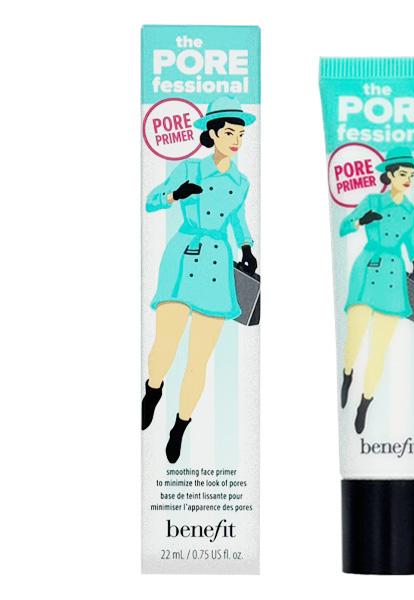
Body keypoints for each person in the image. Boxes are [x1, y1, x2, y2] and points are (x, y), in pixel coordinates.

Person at [141, 96, 257, 463]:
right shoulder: (189, 169)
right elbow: (151, 201)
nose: (236, 140)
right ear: (212, 133)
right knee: (165, 345)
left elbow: (238, 220)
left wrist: (247, 247)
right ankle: (153, 389)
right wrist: (176, 194)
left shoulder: (241, 182)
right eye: (229, 132)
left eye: (241, 134)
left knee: (198, 359)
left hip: (217, 265)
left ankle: (180, 425)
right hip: (182, 257)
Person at [339, 146, 414, 434]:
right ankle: (347, 374)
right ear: (390, 175)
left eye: (411, 175)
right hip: (366, 270)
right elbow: (343, 227)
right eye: (403, 174)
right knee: (354, 336)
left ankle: (365, 402)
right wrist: (361, 221)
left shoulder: (411, 212)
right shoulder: (372, 200)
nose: (408, 179)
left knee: (379, 348)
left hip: (393, 276)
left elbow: (411, 242)